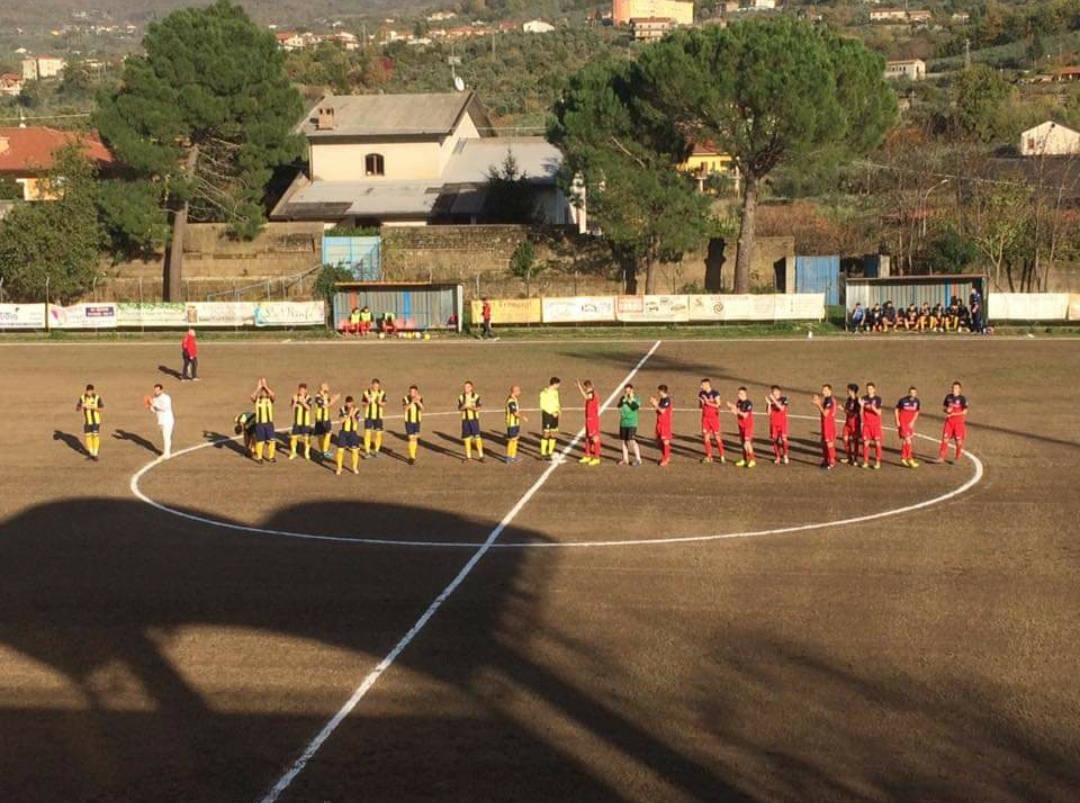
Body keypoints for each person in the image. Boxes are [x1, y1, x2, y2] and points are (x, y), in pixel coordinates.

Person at [937, 381, 969, 463]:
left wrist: (954, 414)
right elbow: (944, 407)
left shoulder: (962, 399)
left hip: (958, 422)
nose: (953, 389)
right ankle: (941, 457)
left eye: (955, 388)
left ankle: (957, 457)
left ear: (959, 389)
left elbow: (965, 412)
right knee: (945, 439)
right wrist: (946, 410)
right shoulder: (948, 397)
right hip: (949, 422)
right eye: (953, 387)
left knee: (958, 441)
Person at [727, 387, 756, 468]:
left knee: (747, 443)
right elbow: (736, 413)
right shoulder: (739, 402)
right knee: (743, 443)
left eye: (740, 393)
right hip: (741, 425)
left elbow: (745, 415)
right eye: (738, 393)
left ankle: (752, 460)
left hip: (748, 426)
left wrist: (736, 409)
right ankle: (744, 459)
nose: (738, 395)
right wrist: (732, 408)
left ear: (745, 394)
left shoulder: (748, 403)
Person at [250, 378, 277, 464]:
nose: (264, 392)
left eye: (265, 391)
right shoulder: (257, 400)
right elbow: (252, 396)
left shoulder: (270, 400)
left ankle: (271, 457)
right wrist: (258, 388)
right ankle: (259, 458)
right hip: (260, 424)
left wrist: (265, 386)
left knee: (272, 441)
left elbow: (273, 395)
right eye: (263, 391)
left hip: (269, 423)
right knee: (260, 441)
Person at [458, 380, 485, 462]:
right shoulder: (461, 397)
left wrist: (469, 407)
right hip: (465, 420)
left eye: (467, 387)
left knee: (477, 437)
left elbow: (479, 408)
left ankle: (481, 456)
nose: (465, 388)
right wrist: (464, 407)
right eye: (465, 387)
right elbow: (459, 409)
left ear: (471, 388)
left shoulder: (476, 396)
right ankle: (468, 457)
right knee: (466, 438)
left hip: (474, 420)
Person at [699, 378, 725, 464]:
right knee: (706, 437)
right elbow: (700, 406)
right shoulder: (701, 393)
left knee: (717, 437)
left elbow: (718, 405)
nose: (700, 386)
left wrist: (708, 402)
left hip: (714, 418)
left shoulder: (715, 393)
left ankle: (722, 456)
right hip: (705, 418)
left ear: (707, 384)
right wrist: (702, 402)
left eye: (702, 385)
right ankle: (709, 456)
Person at [812, 384, 838, 469]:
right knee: (823, 443)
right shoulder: (827, 399)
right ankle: (826, 460)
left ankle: (832, 462)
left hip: (828, 425)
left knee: (829, 443)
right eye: (823, 390)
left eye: (825, 390)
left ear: (830, 391)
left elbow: (825, 414)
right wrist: (818, 400)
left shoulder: (829, 400)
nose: (823, 392)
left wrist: (818, 404)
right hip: (825, 424)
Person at [577, 380, 602, 466]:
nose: (586, 390)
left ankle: (597, 457)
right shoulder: (592, 393)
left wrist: (579, 387)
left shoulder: (592, 394)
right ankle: (587, 455)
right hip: (588, 419)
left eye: (586, 388)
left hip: (592, 420)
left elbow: (586, 397)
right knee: (587, 438)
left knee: (594, 438)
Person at [895, 386, 921, 468]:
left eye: (914, 393)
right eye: (911, 392)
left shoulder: (917, 401)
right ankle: (910, 458)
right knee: (908, 440)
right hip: (903, 423)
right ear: (909, 393)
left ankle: (903, 458)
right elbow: (896, 410)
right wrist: (897, 421)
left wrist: (913, 421)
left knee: (905, 441)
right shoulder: (903, 401)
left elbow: (917, 412)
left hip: (910, 424)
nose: (912, 394)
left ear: (916, 393)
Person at [617, 384, 643, 466]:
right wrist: (623, 401)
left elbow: (635, 407)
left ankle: (638, 459)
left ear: (632, 390)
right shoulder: (623, 398)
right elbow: (619, 406)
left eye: (628, 390)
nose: (627, 392)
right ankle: (625, 459)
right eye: (626, 390)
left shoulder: (636, 399)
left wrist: (629, 400)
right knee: (624, 441)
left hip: (632, 423)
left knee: (631, 441)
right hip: (623, 423)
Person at [859, 382, 884, 469]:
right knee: (865, 443)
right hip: (866, 425)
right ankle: (865, 461)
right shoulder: (863, 398)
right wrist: (862, 406)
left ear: (874, 389)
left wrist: (873, 408)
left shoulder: (878, 399)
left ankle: (877, 462)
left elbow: (879, 413)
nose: (869, 390)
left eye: (870, 389)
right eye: (867, 389)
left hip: (876, 425)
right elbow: (861, 413)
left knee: (877, 444)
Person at [335, 396, 362, 476]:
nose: (349, 404)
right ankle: (339, 468)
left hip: (352, 433)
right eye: (348, 403)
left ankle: (354, 468)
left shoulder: (357, 410)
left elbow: (356, 421)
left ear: (353, 402)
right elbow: (340, 420)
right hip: (343, 433)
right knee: (340, 451)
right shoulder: (342, 409)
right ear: (345, 403)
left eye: (350, 403)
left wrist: (352, 415)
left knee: (355, 451)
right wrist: (348, 415)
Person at [76, 383, 103, 461]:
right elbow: (77, 409)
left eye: (91, 391)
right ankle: (91, 453)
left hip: (96, 421)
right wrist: (81, 406)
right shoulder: (82, 397)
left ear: (93, 391)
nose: (89, 393)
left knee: (95, 435)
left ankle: (95, 453)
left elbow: (100, 409)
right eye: (88, 391)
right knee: (88, 437)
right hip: (87, 422)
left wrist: (92, 407)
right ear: (86, 391)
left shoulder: (97, 398)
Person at [313, 383, 340, 459]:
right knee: (325, 434)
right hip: (321, 419)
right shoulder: (317, 397)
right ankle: (325, 451)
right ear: (322, 388)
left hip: (326, 418)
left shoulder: (325, 395)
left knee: (323, 435)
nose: (328, 387)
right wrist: (334, 400)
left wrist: (332, 398)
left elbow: (328, 402)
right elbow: (325, 406)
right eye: (327, 386)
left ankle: (322, 452)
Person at [148, 383, 174, 459]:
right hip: (161, 421)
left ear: (161, 390)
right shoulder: (154, 399)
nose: (156, 392)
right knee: (164, 436)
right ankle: (166, 452)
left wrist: (153, 405)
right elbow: (153, 410)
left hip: (168, 420)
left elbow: (164, 408)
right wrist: (149, 406)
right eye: (155, 390)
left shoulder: (166, 397)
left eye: (157, 390)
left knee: (166, 436)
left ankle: (167, 454)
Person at [650, 384, 673, 467]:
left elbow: (663, 411)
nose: (658, 392)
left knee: (665, 441)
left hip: (665, 424)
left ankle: (666, 459)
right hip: (659, 423)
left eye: (659, 391)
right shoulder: (662, 399)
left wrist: (656, 404)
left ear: (662, 391)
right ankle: (666, 456)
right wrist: (655, 403)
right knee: (659, 442)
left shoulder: (667, 400)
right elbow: (658, 410)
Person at [765, 385, 790, 465]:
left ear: (779, 392)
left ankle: (785, 455)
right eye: (772, 392)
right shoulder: (771, 401)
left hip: (782, 424)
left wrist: (773, 400)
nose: (773, 393)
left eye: (775, 391)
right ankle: (778, 457)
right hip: (774, 424)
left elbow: (782, 408)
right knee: (775, 441)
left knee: (784, 439)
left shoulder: (783, 399)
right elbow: (768, 413)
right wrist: (769, 404)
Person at [362, 378, 387, 458]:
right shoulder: (366, 393)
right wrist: (368, 402)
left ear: (379, 386)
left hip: (378, 417)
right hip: (368, 416)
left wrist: (380, 403)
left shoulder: (382, 393)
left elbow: (384, 404)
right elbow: (363, 404)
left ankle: (376, 451)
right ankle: (367, 451)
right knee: (367, 433)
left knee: (379, 434)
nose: (376, 387)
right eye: (374, 385)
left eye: (377, 386)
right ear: (372, 385)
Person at [289, 383, 313, 460]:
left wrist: (302, 402)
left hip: (305, 422)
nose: (301, 392)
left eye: (303, 390)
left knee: (306, 438)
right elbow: (292, 409)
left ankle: (306, 453)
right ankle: (293, 452)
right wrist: (295, 402)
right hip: (297, 422)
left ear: (306, 390)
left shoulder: (309, 398)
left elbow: (308, 408)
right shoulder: (295, 397)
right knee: (293, 438)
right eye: (300, 390)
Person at [539, 377, 561, 460]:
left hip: (555, 415)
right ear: (554, 384)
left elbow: (557, 402)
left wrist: (558, 410)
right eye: (558, 384)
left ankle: (550, 451)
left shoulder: (556, 392)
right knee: (546, 433)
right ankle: (543, 453)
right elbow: (542, 405)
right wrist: (552, 413)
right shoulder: (544, 392)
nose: (559, 386)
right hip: (547, 415)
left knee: (553, 432)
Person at [504, 385, 527, 464]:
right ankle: (508, 457)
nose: (520, 392)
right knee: (512, 440)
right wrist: (523, 417)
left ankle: (513, 456)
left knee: (515, 439)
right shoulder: (511, 401)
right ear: (515, 391)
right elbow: (515, 413)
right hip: (511, 423)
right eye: (519, 390)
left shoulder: (514, 399)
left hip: (516, 423)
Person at [403, 385, 424, 465]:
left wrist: (417, 401)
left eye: (414, 392)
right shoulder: (405, 398)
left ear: (416, 392)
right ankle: (412, 457)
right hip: (408, 421)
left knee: (414, 438)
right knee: (411, 438)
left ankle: (412, 455)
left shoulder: (420, 398)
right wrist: (412, 402)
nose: (412, 393)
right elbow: (405, 408)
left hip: (417, 421)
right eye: (411, 392)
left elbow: (422, 408)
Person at [842, 383, 862, 466]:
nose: (847, 391)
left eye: (848, 389)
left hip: (855, 424)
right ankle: (849, 457)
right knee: (845, 439)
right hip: (847, 423)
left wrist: (843, 409)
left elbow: (853, 414)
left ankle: (855, 459)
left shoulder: (858, 401)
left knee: (855, 441)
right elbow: (847, 410)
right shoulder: (848, 399)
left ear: (852, 391)